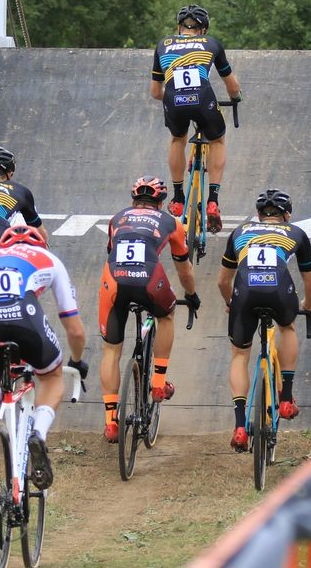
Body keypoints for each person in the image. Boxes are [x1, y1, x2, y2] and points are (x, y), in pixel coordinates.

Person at [0, 225, 87, 496]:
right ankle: (39, 434)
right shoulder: (49, 259)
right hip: (25, 317)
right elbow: (75, 329)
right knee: (52, 378)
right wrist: (77, 361)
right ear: (40, 245)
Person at [98, 175, 200, 442]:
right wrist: (192, 295)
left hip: (114, 280)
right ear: (161, 202)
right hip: (149, 279)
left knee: (111, 350)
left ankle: (110, 422)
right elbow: (184, 269)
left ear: (133, 199)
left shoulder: (117, 218)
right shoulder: (171, 222)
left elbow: (111, 250)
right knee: (166, 315)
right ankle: (158, 382)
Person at [219, 189, 311, 451]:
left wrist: (231, 303)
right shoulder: (296, 233)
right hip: (278, 290)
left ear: (259, 216)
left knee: (240, 356)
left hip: (244, 292)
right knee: (287, 326)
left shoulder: (240, 232)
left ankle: (240, 426)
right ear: (287, 216)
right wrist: (308, 305)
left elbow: (223, 281)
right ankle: (286, 398)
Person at [150, 5, 242, 232]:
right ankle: (213, 200)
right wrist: (236, 98)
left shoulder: (163, 44)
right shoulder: (211, 43)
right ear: (204, 29)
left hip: (174, 101)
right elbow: (232, 85)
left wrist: (172, 98)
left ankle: (179, 197)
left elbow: (155, 92)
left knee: (177, 139)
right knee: (217, 140)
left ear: (178, 27)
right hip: (203, 100)